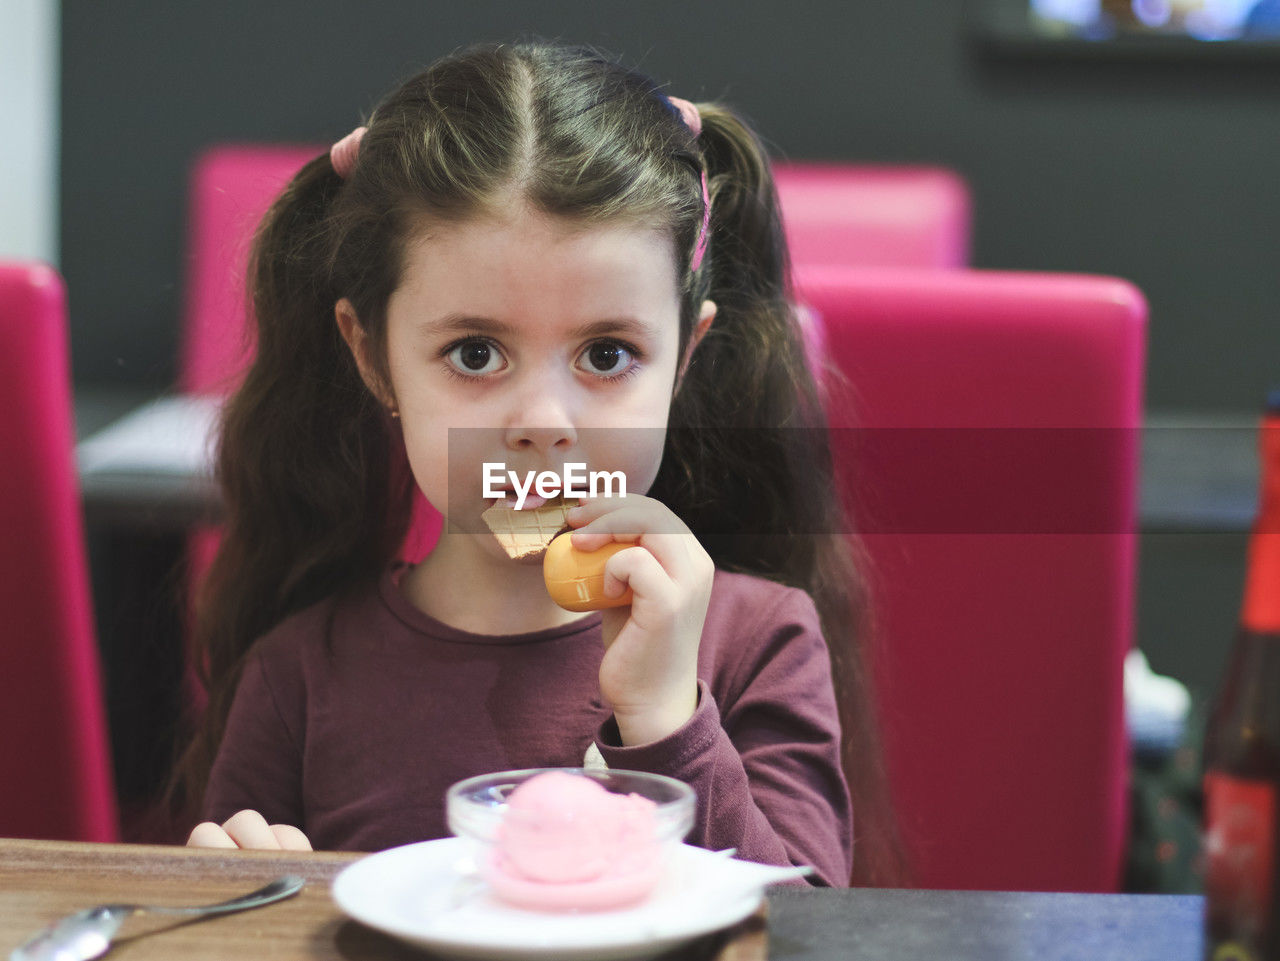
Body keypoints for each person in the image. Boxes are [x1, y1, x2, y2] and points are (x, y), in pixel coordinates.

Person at [174, 40, 901, 887]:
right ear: (373, 358)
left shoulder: (757, 641)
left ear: (684, 357)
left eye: (606, 354)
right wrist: (239, 906)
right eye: (476, 354)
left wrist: (666, 716)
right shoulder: (298, 672)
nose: (545, 424)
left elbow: (807, 935)